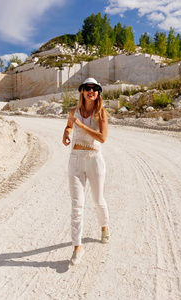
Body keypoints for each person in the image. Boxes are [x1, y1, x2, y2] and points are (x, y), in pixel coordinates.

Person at [62, 77, 110, 266]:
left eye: (95, 88)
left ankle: (104, 227)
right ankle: (77, 248)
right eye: (87, 88)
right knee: (77, 206)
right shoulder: (73, 111)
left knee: (98, 200)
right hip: (75, 160)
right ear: (82, 91)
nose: (91, 91)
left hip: (94, 160)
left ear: (98, 92)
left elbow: (103, 137)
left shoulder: (101, 113)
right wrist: (66, 132)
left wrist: (80, 126)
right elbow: (68, 125)